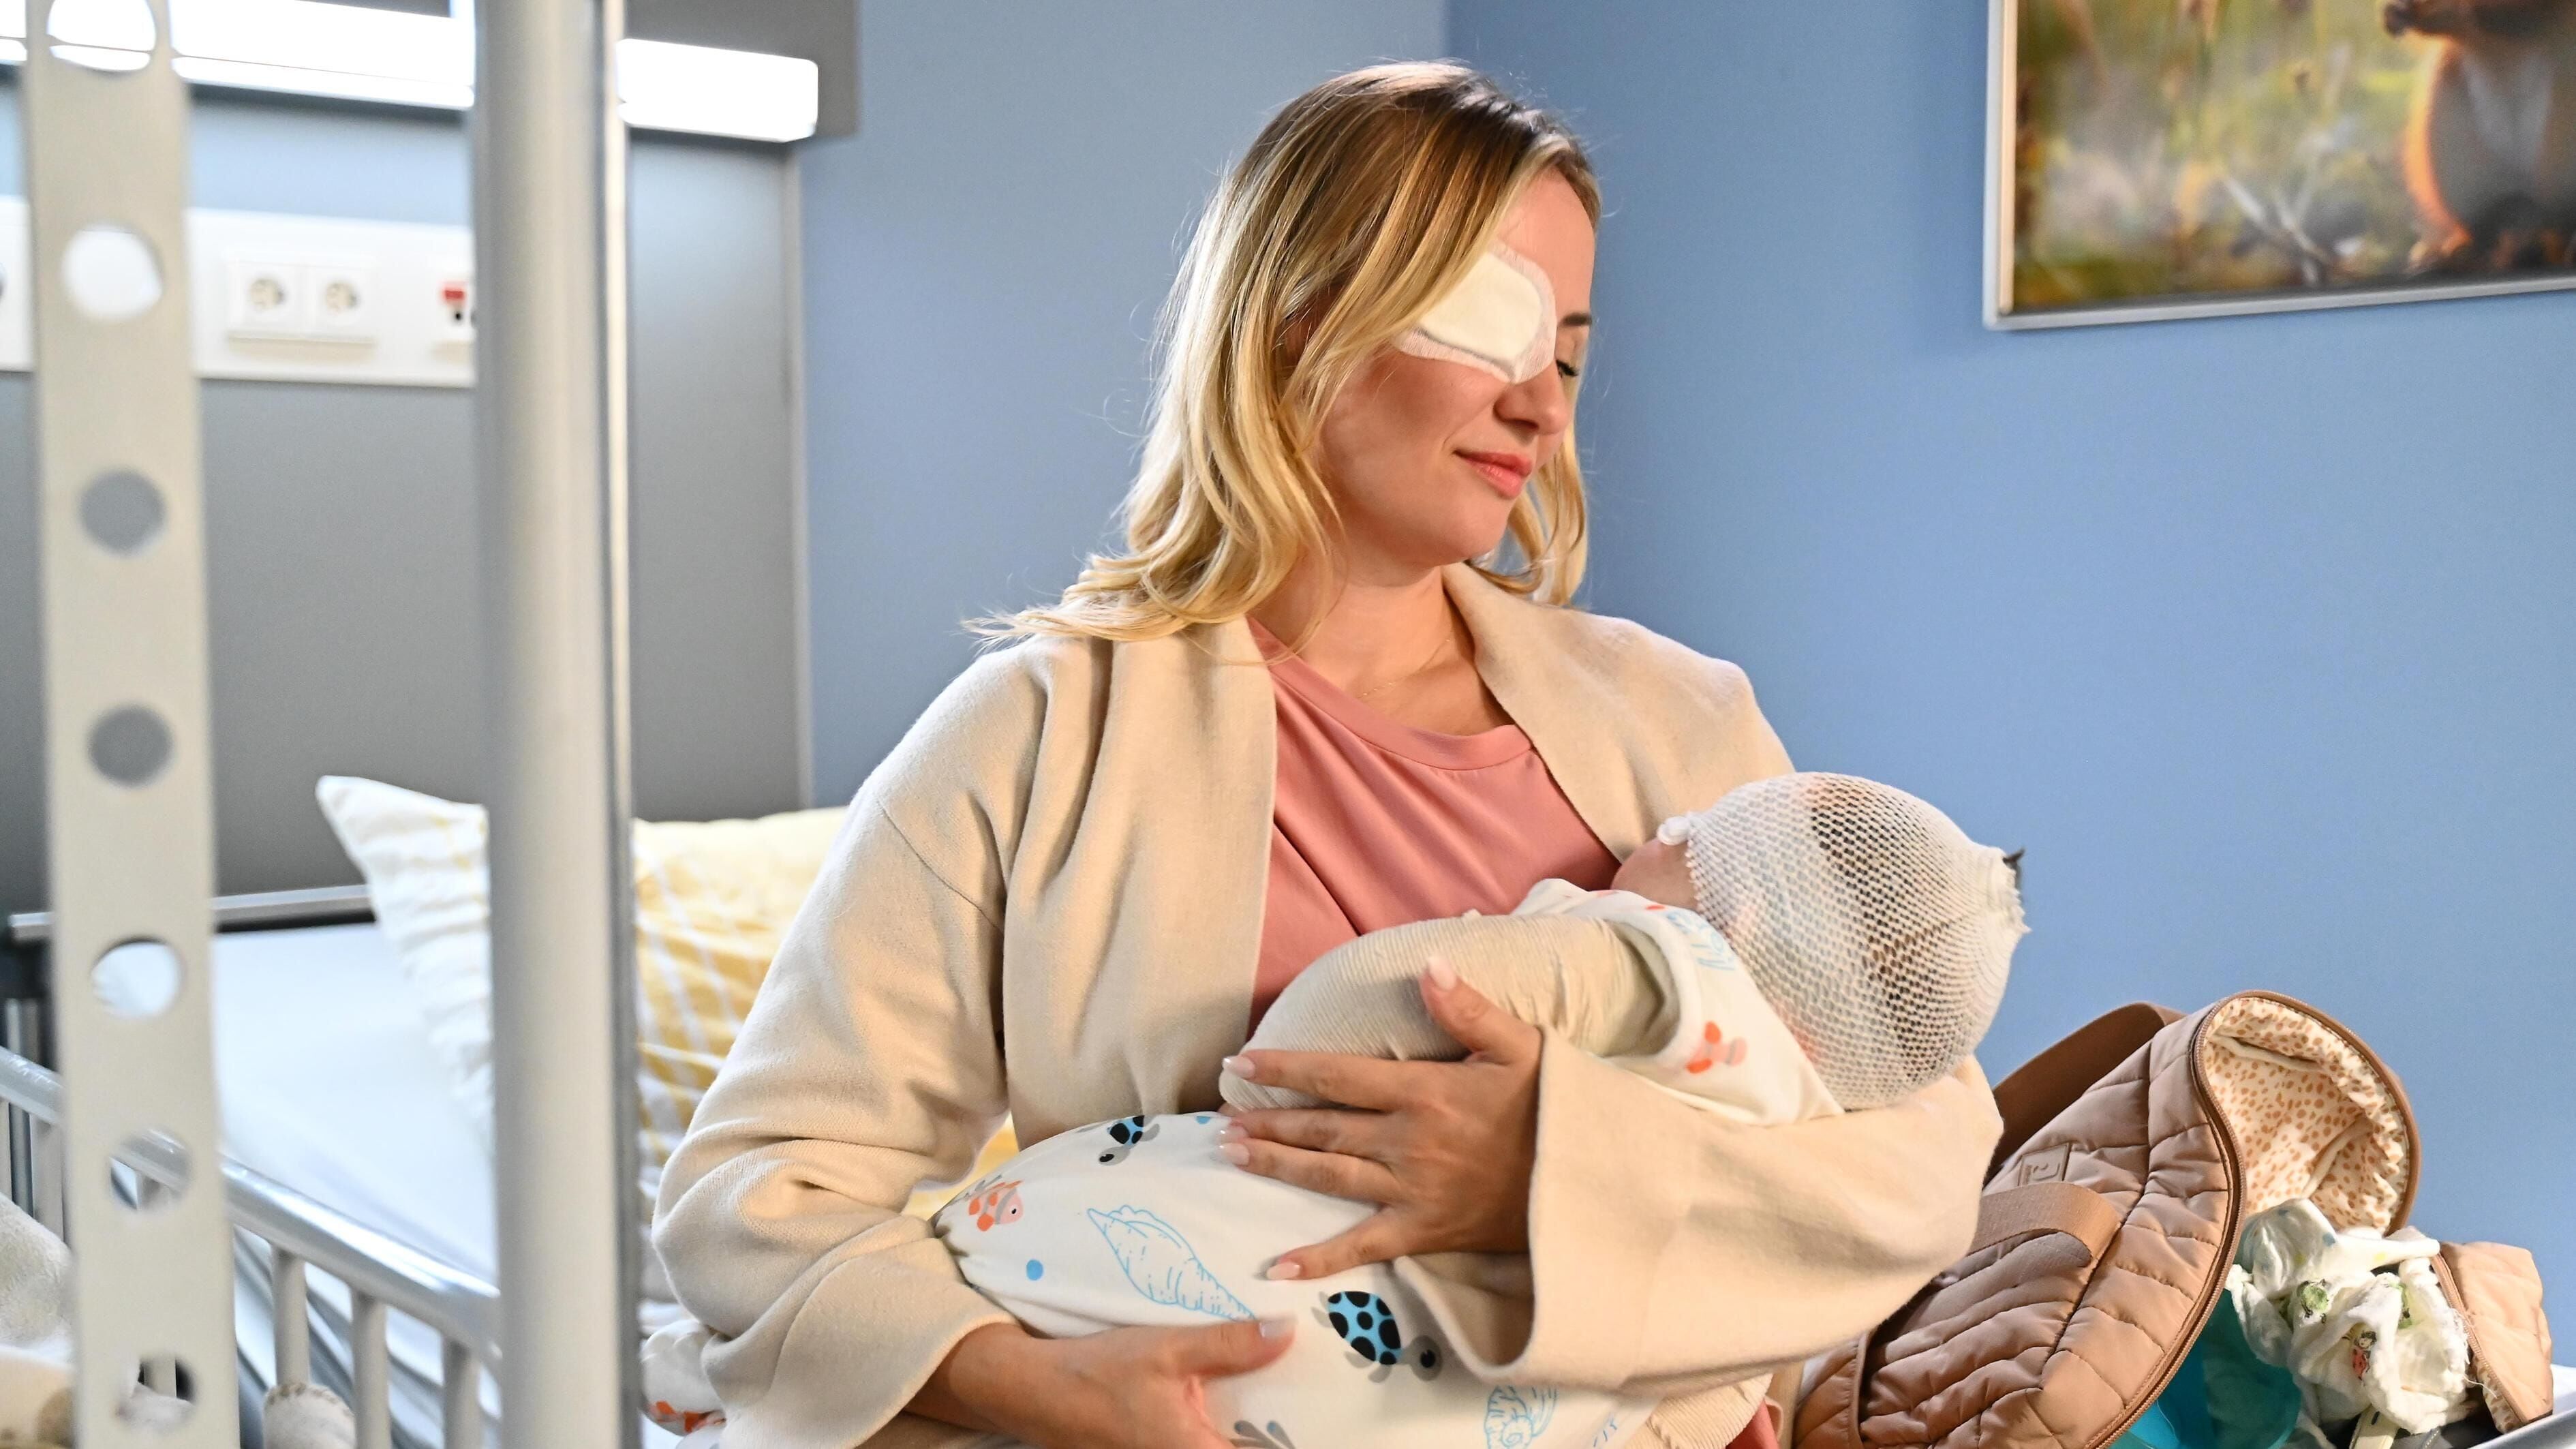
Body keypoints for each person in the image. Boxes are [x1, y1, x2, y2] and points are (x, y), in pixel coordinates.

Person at [651, 63, 2003, 1449]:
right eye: (1494, 326)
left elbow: (1920, 1164)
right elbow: (754, 1200)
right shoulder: (1039, 738)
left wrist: (1543, 1179)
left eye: (1569, 356)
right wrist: (1036, 1383)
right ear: (1298, 320)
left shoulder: (1682, 724)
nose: (1543, 408)